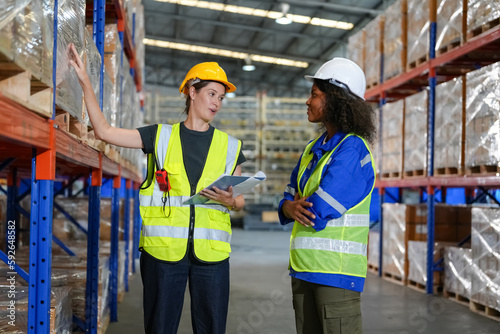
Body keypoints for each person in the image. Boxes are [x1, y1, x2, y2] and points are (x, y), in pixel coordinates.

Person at [69, 43, 246, 334]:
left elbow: (238, 201)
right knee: (160, 327)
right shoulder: (159, 136)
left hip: (212, 256)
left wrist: (231, 201)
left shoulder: (231, 147)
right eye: (211, 94)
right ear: (192, 91)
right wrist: (85, 82)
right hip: (163, 254)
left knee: (213, 328)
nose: (217, 102)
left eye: (221, 98)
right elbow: (104, 131)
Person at [278, 57, 377, 334]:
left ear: (336, 100)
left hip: (336, 276)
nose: (307, 102)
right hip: (302, 270)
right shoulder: (312, 148)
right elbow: (287, 198)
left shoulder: (353, 150)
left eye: (314, 95)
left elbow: (315, 210)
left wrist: (295, 204)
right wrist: (288, 206)